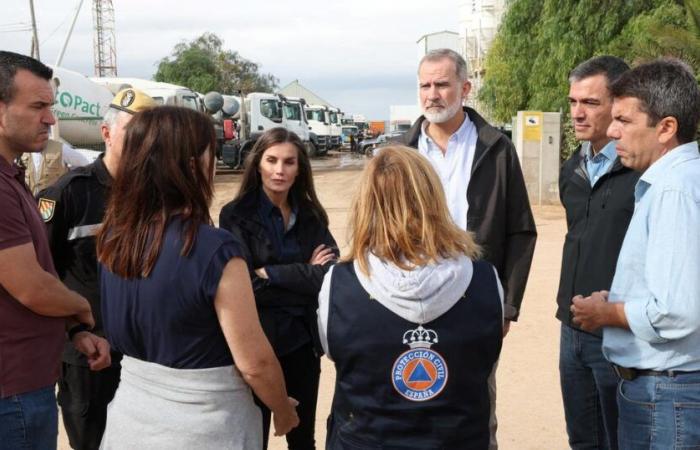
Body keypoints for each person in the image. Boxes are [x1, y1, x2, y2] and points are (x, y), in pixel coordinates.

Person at [96, 107, 298, 449]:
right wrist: (282, 409)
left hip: (129, 421)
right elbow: (255, 363)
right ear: (191, 166)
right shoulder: (213, 249)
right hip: (202, 428)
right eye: (211, 154)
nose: (215, 163)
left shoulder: (114, 238)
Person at [318, 146, 503, 449]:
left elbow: (335, 351)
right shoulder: (485, 279)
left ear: (366, 204)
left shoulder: (339, 284)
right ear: (434, 199)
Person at [400, 48, 536, 449]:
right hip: (409, 301)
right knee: (411, 401)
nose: (433, 94)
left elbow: (520, 231)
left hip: (475, 302)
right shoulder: (400, 153)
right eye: (425, 85)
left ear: (465, 87)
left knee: (475, 406)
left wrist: (507, 305)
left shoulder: (496, 150)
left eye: (442, 84)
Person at [571, 58, 700, 449]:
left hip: (667, 396)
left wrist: (608, 313)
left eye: (624, 121)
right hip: (664, 395)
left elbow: (678, 311)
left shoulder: (674, 190)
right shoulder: (675, 181)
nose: (612, 131)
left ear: (666, 128)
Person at [0, 50, 110, 450]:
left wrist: (73, 329)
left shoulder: (10, 176)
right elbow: (30, 286)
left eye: (51, 106)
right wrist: (82, 310)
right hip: (13, 391)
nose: (50, 118)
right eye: (38, 106)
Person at [37, 88, 156, 450]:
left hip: (145, 350)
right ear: (106, 134)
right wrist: (73, 331)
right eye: (133, 131)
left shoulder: (157, 195)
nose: (142, 142)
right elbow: (44, 272)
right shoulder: (69, 193)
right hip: (89, 353)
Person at [219, 127, 337, 450]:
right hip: (257, 346)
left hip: (302, 345)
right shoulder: (235, 216)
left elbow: (329, 276)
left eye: (288, 162)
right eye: (271, 160)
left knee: (303, 442)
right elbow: (246, 288)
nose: (279, 170)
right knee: (252, 441)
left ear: (299, 169)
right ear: (258, 164)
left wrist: (271, 272)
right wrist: (305, 274)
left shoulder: (311, 215)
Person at [557, 55, 633, 450]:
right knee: (582, 440)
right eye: (572, 102)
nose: (577, 113)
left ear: (618, 103)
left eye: (590, 103)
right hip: (570, 328)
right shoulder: (572, 169)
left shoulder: (641, 170)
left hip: (618, 331)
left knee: (619, 439)